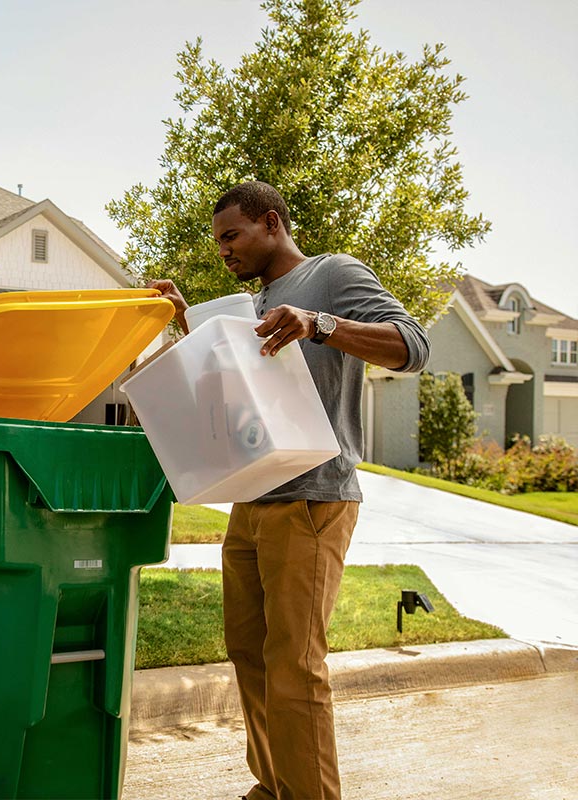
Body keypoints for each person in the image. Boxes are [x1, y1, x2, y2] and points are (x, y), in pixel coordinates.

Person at [149, 180, 430, 800]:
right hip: (254, 496)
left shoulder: (330, 274)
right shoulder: (256, 301)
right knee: (248, 652)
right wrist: (185, 318)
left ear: (271, 222)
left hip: (312, 497)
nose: (223, 249)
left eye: (232, 235)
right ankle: (275, 786)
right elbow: (233, 378)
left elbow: (413, 346)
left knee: (295, 665)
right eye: (217, 239)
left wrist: (321, 323)